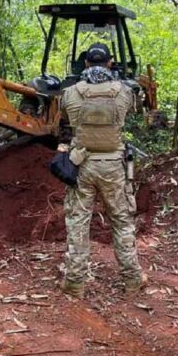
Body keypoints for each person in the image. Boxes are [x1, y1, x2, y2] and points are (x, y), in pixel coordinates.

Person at [59, 43, 146, 298]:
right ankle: (132, 280)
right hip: (113, 166)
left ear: (85, 63)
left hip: (81, 164)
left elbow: (64, 118)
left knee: (78, 222)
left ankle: (75, 283)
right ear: (110, 63)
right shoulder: (124, 92)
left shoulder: (70, 93)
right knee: (121, 221)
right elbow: (134, 110)